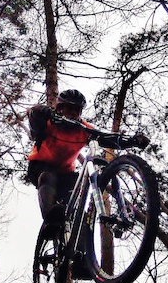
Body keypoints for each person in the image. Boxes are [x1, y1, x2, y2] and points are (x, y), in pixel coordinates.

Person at [26, 89, 149, 227]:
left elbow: (107, 139)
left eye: (77, 110)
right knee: (47, 177)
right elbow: (34, 116)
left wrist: (132, 141)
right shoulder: (50, 123)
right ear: (60, 108)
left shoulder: (83, 129)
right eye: (70, 108)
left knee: (75, 196)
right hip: (40, 165)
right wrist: (45, 112)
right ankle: (50, 220)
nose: (73, 113)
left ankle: (75, 237)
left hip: (65, 172)